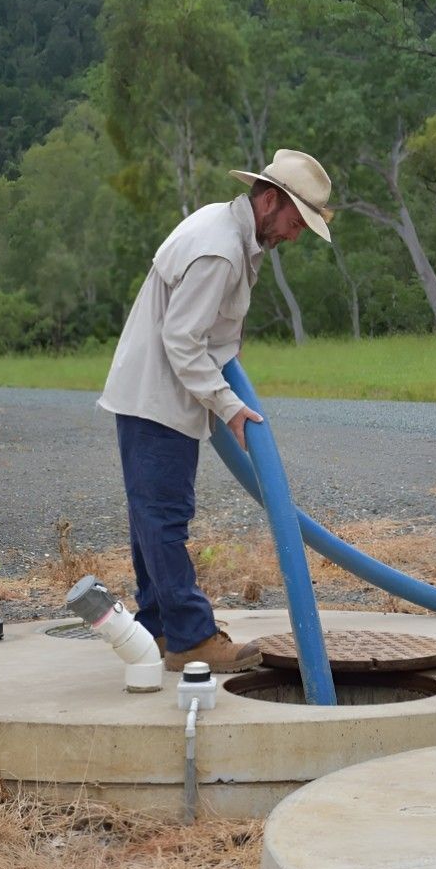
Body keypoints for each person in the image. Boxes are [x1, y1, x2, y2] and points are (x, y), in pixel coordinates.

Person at [98, 149, 333, 673]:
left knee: (151, 521)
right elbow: (182, 340)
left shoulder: (228, 232)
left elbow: (208, 327)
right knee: (163, 522)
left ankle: (158, 628)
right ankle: (192, 639)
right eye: (296, 222)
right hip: (159, 399)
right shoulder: (221, 249)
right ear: (270, 200)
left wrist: (227, 361)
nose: (295, 235)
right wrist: (229, 405)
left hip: (156, 397)